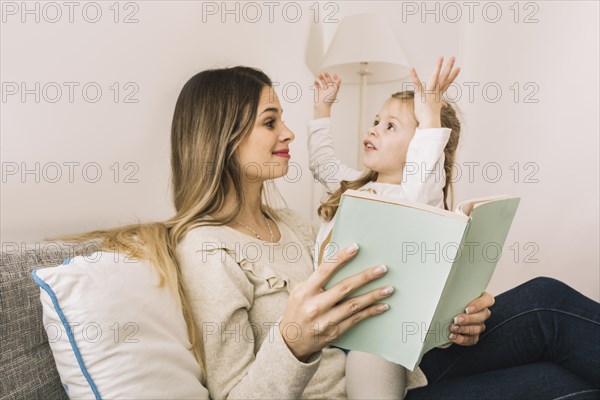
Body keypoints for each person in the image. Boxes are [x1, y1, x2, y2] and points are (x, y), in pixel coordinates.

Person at [60, 65, 600, 399]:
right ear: (225, 139)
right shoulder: (208, 249)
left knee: (545, 301)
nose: (289, 131)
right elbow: (234, 395)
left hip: (403, 366)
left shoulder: (293, 223)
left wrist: (453, 316)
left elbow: (384, 295)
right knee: (563, 385)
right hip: (359, 392)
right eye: (271, 121)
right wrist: (295, 342)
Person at [308, 57, 461, 399]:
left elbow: (424, 178)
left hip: (376, 330)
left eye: (391, 126)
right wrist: (322, 110)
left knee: (370, 360)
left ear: (422, 147)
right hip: (330, 321)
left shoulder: (416, 199)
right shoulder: (353, 185)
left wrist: (430, 117)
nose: (373, 129)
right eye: (376, 120)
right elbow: (321, 161)